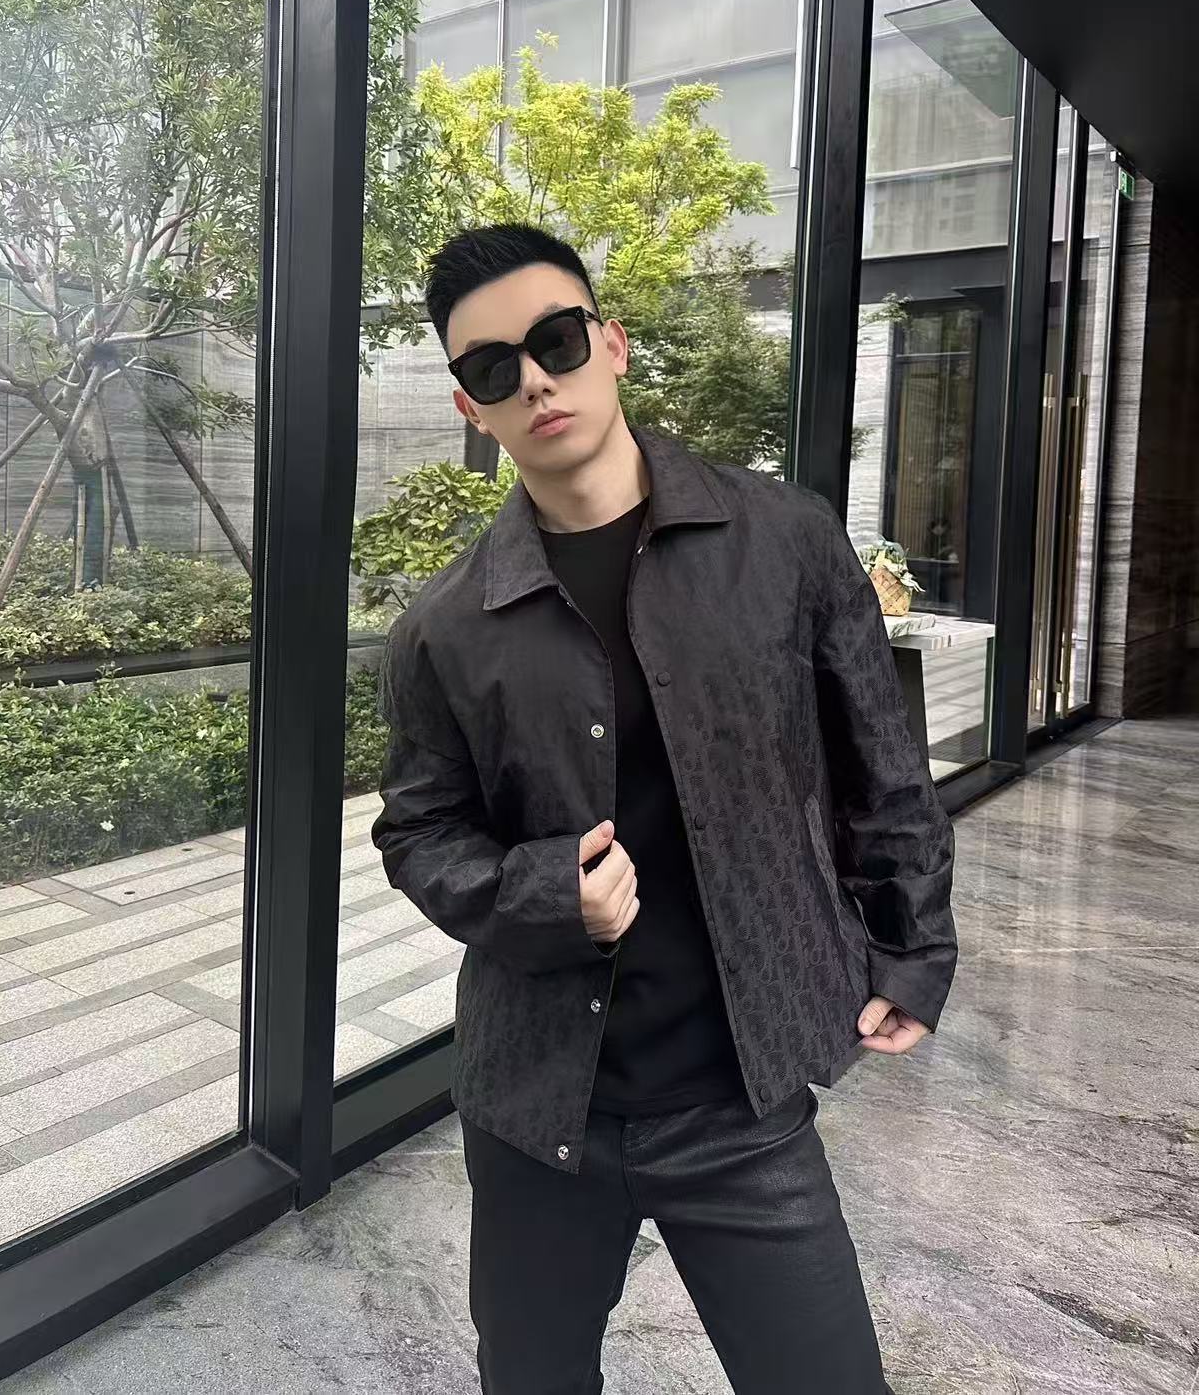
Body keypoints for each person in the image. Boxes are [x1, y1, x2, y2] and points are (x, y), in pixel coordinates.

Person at [371, 223, 956, 1395]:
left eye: (555, 341)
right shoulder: (443, 627)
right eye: (493, 367)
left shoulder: (783, 540)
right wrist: (546, 894)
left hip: (741, 1097)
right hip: (538, 1109)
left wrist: (911, 947)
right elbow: (418, 833)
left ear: (611, 345)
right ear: (467, 406)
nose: (535, 381)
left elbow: (878, 765)